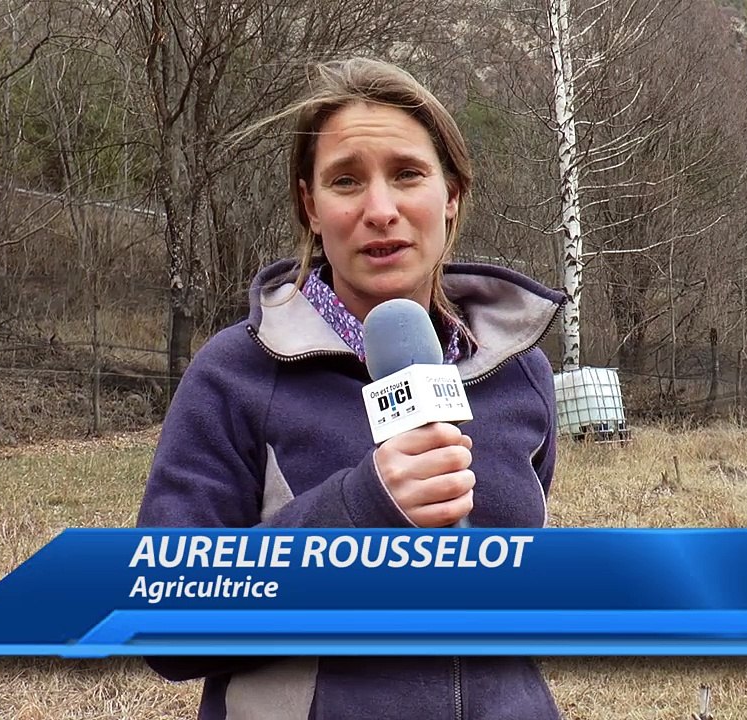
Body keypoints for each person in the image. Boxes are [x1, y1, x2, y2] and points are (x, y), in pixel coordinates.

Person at [136, 57, 566, 720]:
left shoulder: (521, 373)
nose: (381, 210)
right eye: (346, 181)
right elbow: (167, 622)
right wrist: (360, 511)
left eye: (407, 174)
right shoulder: (236, 373)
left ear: (450, 195)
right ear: (312, 207)